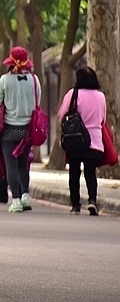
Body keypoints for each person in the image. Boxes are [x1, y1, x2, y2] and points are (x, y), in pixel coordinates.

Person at [0, 46, 40, 213]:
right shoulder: (34, 80)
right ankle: (26, 196)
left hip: (9, 129)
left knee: (10, 165)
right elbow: (37, 102)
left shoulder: (5, 80)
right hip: (27, 129)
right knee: (23, 165)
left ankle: (16, 200)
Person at [57, 67, 106, 215]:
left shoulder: (73, 94)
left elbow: (61, 114)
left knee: (74, 172)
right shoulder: (101, 96)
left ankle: (76, 205)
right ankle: (92, 201)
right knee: (91, 173)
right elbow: (103, 118)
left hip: (75, 140)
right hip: (95, 141)